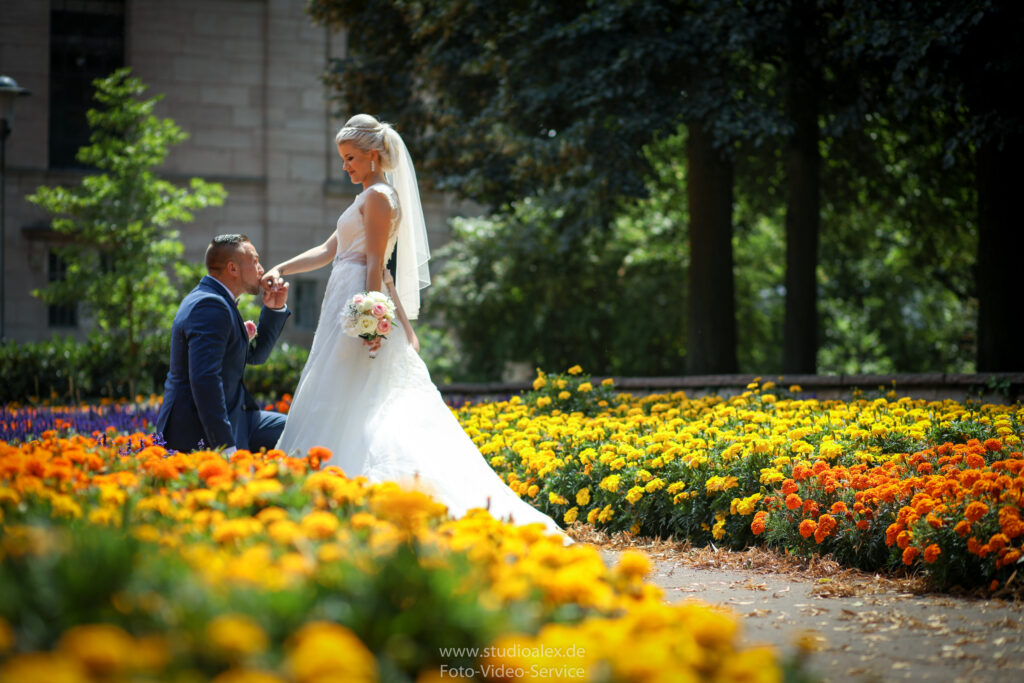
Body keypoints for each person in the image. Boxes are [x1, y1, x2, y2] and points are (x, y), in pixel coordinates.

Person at [263, 114, 568, 539]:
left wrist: (369, 321)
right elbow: (328, 250)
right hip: (345, 302)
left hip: (356, 306)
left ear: (373, 155)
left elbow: (375, 266)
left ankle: (356, 496)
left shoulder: (379, 198)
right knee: (342, 395)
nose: (345, 166)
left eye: (351, 158)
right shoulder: (366, 196)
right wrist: (281, 267)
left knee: (360, 398)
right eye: (343, 159)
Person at [156, 234, 291, 455]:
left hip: (239, 416)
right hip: (198, 430)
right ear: (233, 269)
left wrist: (274, 309)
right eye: (255, 261)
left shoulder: (217, 301)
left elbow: (256, 356)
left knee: (300, 430)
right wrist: (224, 445)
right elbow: (204, 380)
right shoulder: (210, 305)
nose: (261, 269)